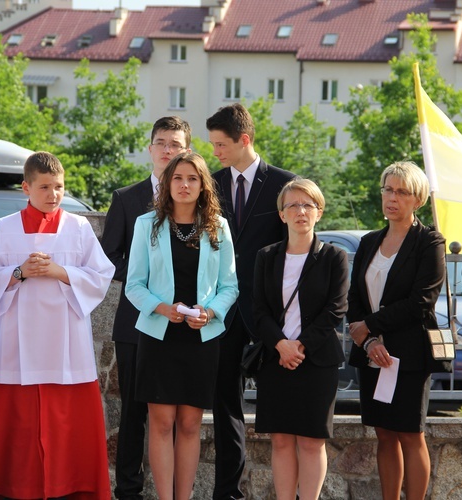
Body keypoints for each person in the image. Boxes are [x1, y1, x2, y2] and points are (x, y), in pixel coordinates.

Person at [0, 151, 115, 500]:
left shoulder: (79, 228)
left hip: (66, 343)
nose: (54, 194)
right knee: (16, 428)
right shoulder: (4, 229)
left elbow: (102, 276)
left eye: (60, 187)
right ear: (26, 187)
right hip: (16, 344)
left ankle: (75, 486)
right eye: (45, 187)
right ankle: (9, 487)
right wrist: (19, 272)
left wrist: (58, 271)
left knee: (69, 426)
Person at [125, 152, 238, 500]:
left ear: (203, 184)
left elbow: (230, 286)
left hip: (201, 338)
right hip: (159, 336)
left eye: (192, 178)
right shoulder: (147, 224)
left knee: (190, 426)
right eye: (178, 178)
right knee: (160, 425)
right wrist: (161, 307)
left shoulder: (218, 226)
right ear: (168, 183)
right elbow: (134, 285)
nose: (185, 185)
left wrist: (211, 312)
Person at [207, 102, 296, 499]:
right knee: (225, 403)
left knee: (281, 409)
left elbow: (298, 250)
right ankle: (230, 492)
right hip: (222, 311)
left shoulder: (286, 186)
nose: (216, 152)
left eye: (222, 144)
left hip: (271, 315)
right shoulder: (209, 185)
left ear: (245, 140)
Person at [101, 116, 192, 500]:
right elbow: (109, 256)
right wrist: (151, 283)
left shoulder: (200, 195)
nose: (167, 149)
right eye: (161, 143)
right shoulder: (127, 198)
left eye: (175, 143)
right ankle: (129, 491)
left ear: (186, 150)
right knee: (135, 412)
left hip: (186, 324)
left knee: (180, 416)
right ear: (150, 148)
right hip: (137, 320)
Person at [347, 162, 447, 500]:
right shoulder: (369, 241)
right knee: (384, 434)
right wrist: (369, 339)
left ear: (417, 199)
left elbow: (422, 300)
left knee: (409, 433)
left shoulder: (429, 242)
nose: (392, 197)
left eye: (402, 192)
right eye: (388, 190)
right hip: (372, 352)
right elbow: (354, 297)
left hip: (409, 352)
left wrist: (370, 326)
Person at [253, 179, 349, 500]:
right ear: (282, 215)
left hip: (317, 360)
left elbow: (336, 309)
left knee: (310, 441)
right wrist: (281, 344)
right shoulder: (266, 256)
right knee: (280, 440)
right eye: (292, 205)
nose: (300, 211)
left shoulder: (334, 257)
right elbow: (258, 310)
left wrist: (300, 345)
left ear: (319, 212)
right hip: (275, 358)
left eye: (308, 204)